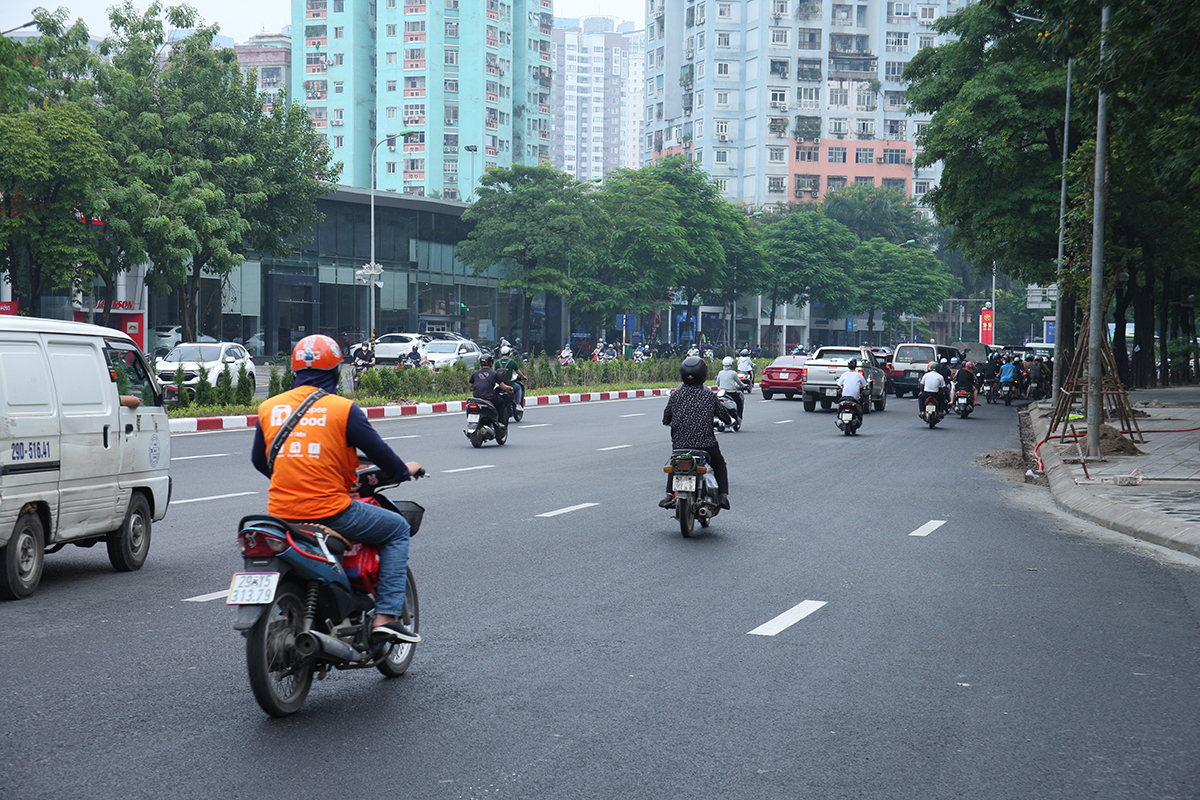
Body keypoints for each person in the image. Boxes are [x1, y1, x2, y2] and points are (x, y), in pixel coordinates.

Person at [251, 335, 422, 644]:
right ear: (334, 372)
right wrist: (403, 470)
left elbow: (260, 462)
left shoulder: (269, 407)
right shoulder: (343, 410)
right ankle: (385, 616)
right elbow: (381, 455)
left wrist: (295, 478)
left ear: (294, 371)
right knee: (397, 528)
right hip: (330, 512)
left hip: (280, 515)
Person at [660, 356, 731, 510]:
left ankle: (667, 495)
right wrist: (728, 421)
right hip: (705, 445)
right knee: (719, 464)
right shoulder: (709, 395)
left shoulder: (676, 395)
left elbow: (665, 419)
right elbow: (724, 416)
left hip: (680, 445)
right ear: (703, 374)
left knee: (675, 464)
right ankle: (723, 496)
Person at [468, 353, 512, 428]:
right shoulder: (494, 374)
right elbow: (503, 387)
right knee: (501, 402)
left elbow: (471, 385)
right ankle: (500, 422)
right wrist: (510, 388)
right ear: (491, 363)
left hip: (477, 397)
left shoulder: (475, 373)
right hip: (489, 397)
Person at [495, 344, 525, 411]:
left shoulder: (497, 363)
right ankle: (518, 404)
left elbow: (495, 373)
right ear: (509, 353)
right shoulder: (512, 362)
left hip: (499, 384)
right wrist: (523, 377)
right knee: (519, 388)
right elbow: (518, 371)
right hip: (509, 384)